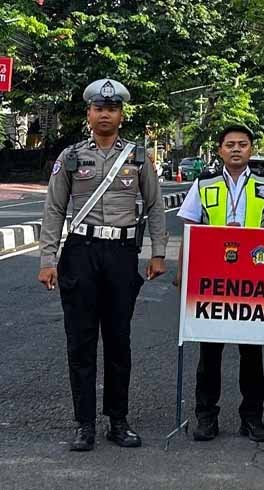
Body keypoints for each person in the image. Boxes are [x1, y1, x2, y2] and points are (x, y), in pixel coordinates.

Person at [37, 78, 167, 451]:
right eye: (98, 108)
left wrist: (158, 253)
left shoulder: (139, 157)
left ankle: (119, 420)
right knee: (80, 341)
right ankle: (84, 424)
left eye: (111, 109)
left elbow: (155, 206)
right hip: (80, 253)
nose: (105, 114)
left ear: (121, 115)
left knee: (118, 340)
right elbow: (54, 210)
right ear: (89, 114)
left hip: (122, 256)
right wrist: (48, 259)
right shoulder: (71, 157)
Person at [176, 124, 264, 443]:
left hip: (253, 282)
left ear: (251, 149)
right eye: (230, 144)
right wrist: (183, 273)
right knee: (209, 355)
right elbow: (190, 231)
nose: (237, 149)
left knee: (252, 355)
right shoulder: (204, 184)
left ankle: (252, 418)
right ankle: (206, 417)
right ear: (220, 150)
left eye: (243, 144)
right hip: (211, 282)